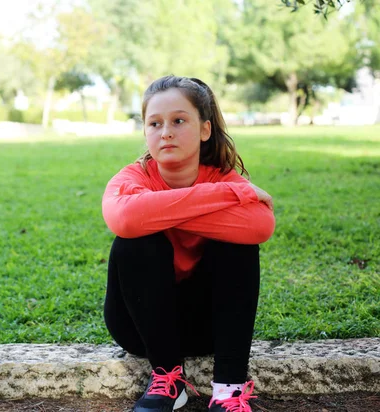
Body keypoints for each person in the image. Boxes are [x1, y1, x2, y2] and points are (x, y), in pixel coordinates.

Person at [101, 75, 275, 412]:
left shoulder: (221, 174)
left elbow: (260, 225)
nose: (165, 131)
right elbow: (124, 220)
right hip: (139, 328)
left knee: (237, 243)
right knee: (133, 241)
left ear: (204, 130)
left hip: (208, 326)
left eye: (179, 121)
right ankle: (168, 380)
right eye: (154, 123)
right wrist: (227, 196)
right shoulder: (134, 177)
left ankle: (229, 390)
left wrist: (159, 209)